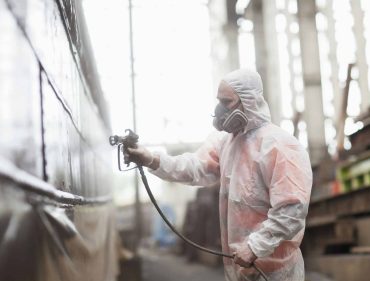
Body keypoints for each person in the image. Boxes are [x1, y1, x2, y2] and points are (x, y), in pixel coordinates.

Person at [125, 69, 312, 281]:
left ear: (248, 101)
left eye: (227, 101)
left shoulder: (280, 146)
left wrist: (254, 247)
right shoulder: (226, 143)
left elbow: (291, 210)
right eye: (219, 101)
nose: (220, 110)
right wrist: (150, 158)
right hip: (238, 269)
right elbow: (195, 167)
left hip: (274, 272)